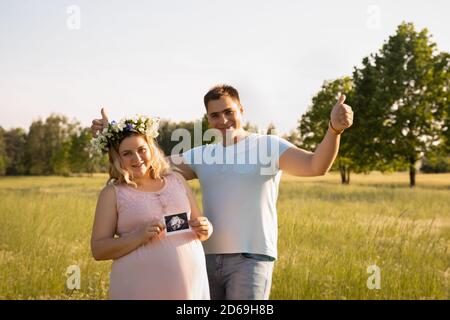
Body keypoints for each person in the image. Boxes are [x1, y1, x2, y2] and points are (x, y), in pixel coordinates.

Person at [91, 84, 354, 300]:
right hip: (204, 259)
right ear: (208, 120)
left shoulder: (268, 147)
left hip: (251, 258)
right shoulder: (203, 154)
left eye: (229, 111)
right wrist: (113, 135)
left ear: (241, 109)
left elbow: (315, 165)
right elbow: (143, 163)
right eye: (215, 115)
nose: (224, 120)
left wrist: (334, 130)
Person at [90, 115, 213, 300]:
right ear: (117, 158)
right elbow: (99, 249)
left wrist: (206, 228)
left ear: (151, 149)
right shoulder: (113, 193)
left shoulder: (176, 180)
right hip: (140, 288)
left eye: (142, 149)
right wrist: (139, 236)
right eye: (127, 153)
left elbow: (200, 229)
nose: (137, 158)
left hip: (191, 287)